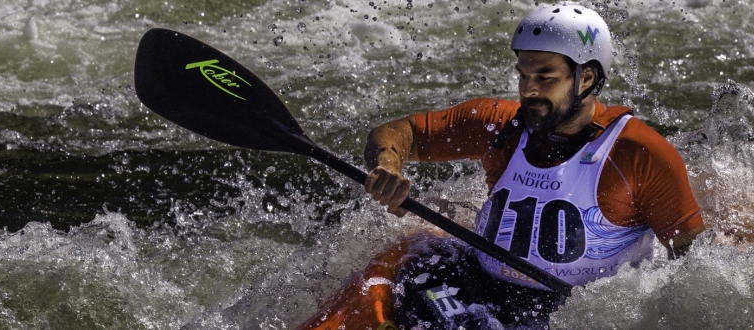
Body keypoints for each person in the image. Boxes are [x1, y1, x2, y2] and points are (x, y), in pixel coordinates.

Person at [298, 5, 705, 330]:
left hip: (562, 310)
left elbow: (688, 268)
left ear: (586, 79)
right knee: (417, 266)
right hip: (475, 280)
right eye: (523, 75)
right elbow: (397, 132)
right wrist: (387, 167)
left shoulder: (638, 153)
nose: (529, 90)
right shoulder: (498, 124)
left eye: (545, 77)